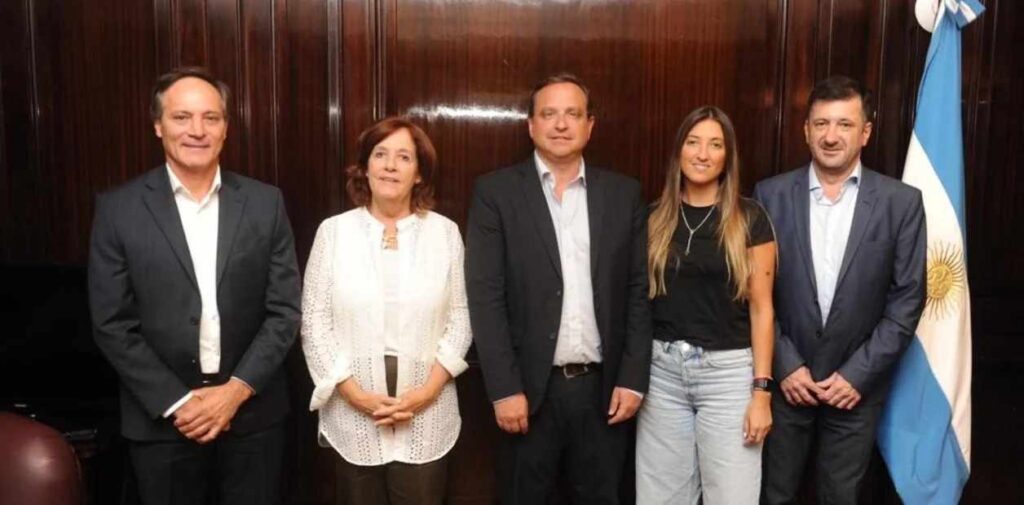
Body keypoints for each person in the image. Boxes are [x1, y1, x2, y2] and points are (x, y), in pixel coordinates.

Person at [88, 67, 301, 505]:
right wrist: (178, 402)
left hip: (253, 418)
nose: (197, 130)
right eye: (182, 117)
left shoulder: (265, 203)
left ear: (225, 128)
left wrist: (235, 391)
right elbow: (111, 323)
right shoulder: (118, 210)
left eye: (211, 118)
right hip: (162, 422)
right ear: (158, 125)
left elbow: (284, 311)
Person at [465, 73, 652, 504]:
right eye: (549, 114)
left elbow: (638, 291)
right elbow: (485, 296)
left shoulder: (623, 194)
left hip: (603, 392)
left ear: (590, 125)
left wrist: (632, 379)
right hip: (528, 392)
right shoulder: (495, 193)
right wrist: (504, 388)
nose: (561, 124)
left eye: (573, 114)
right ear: (531, 125)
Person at [753, 75, 926, 504]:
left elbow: (907, 300)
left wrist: (857, 375)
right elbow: (753, 292)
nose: (831, 136)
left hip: (855, 391)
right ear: (805, 130)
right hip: (786, 386)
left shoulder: (901, 203)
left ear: (865, 132)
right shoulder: (769, 195)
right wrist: (785, 365)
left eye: (844, 124)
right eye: (821, 123)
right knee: (774, 495)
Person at [301, 117, 472, 505]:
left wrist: (426, 393)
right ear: (365, 167)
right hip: (352, 409)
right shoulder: (333, 232)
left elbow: (462, 318)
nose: (390, 166)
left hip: (427, 408)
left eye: (404, 157)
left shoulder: (445, 233)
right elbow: (314, 320)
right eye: (380, 155)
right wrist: (355, 395)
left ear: (419, 173)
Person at [636, 106, 777, 504]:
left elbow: (763, 309)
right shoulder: (653, 218)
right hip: (661, 376)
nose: (702, 154)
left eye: (715, 145)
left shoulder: (750, 218)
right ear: (678, 151)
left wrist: (762, 394)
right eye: (693, 142)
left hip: (728, 378)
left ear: (727, 156)